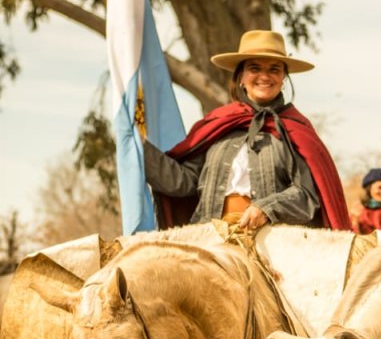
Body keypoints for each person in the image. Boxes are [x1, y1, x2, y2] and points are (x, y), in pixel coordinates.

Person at [143, 29, 351, 231]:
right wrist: (139, 146)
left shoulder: (295, 130)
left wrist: (266, 208)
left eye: (274, 69)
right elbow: (183, 182)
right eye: (254, 68)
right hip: (208, 235)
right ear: (241, 77)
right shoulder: (218, 124)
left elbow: (307, 195)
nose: (264, 76)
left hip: (271, 240)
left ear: (283, 79)